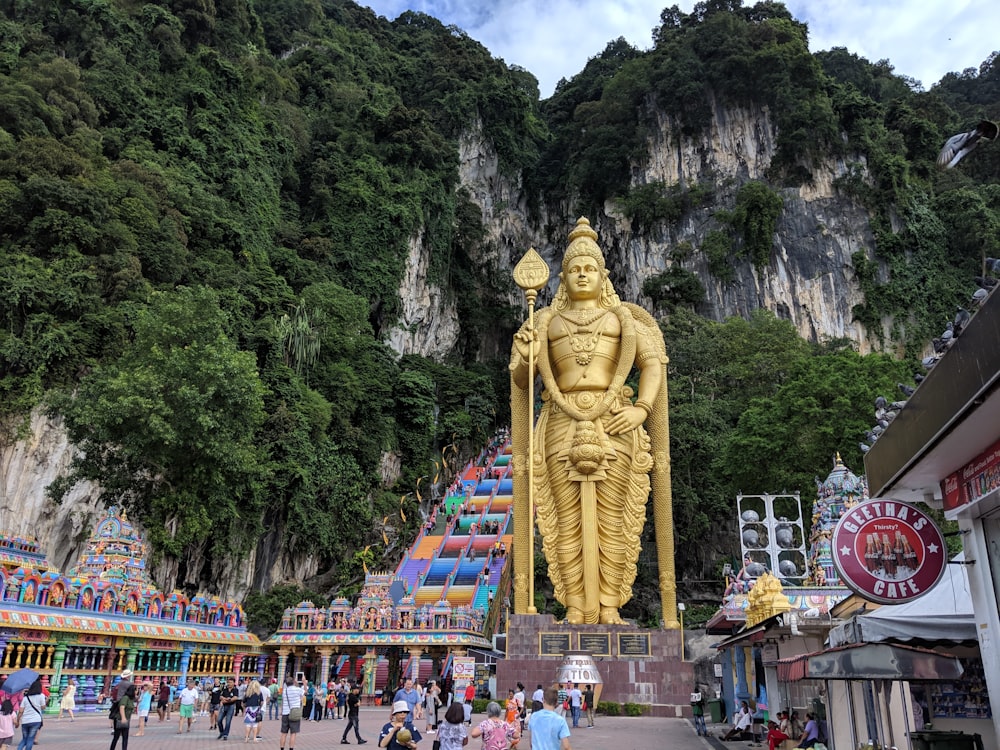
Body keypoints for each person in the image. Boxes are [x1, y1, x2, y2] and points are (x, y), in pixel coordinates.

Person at [511, 217, 669, 625]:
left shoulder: (623, 320)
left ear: (604, 275)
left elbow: (652, 365)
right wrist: (526, 354)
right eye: (575, 269)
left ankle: (611, 605)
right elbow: (519, 378)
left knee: (614, 518)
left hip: (614, 419)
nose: (583, 275)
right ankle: (576, 606)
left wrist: (642, 408)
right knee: (564, 521)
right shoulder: (545, 321)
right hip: (561, 421)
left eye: (590, 269)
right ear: (563, 277)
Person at [524, 686, 570, 750]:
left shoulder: (534, 717)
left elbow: (531, 743)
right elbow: (566, 746)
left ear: (543, 700)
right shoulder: (560, 720)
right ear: (556, 702)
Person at [15, 679, 45, 750]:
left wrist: (18, 720)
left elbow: (21, 711)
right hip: (36, 720)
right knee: (30, 739)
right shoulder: (41, 696)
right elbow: (43, 707)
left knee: (24, 739)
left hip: (25, 720)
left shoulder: (26, 698)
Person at [279, 676, 304, 750]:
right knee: (293, 733)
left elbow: (283, 702)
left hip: (285, 713)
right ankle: (291, 748)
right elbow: (305, 691)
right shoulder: (298, 690)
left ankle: (282, 748)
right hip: (294, 713)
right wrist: (304, 683)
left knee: (284, 733)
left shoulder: (284, 691)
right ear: (293, 682)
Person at [110, 683, 136, 750]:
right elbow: (122, 707)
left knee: (125, 737)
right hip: (119, 719)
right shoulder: (125, 698)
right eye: (136, 690)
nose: (137, 692)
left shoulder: (131, 699)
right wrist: (123, 718)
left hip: (127, 720)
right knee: (116, 737)